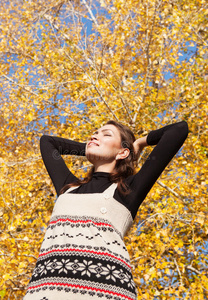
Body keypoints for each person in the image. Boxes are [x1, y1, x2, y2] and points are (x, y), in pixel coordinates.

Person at [23, 120, 188, 300]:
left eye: (106, 134)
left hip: (106, 291)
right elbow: (48, 142)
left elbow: (179, 129)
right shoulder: (67, 186)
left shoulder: (127, 190)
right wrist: (90, 147)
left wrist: (139, 143)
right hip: (46, 289)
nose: (95, 136)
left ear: (123, 152)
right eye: (95, 133)